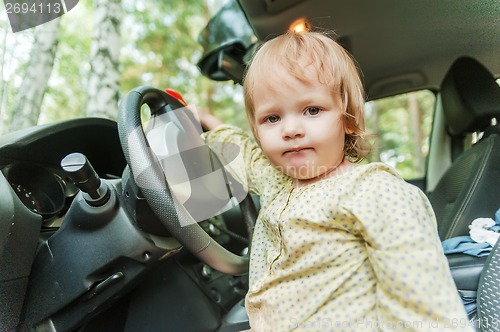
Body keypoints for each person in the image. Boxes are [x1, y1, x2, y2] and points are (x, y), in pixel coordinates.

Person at [195, 31, 471, 331]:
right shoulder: (279, 181)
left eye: (312, 110)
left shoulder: (374, 190)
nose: (290, 129)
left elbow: (425, 308)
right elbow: (244, 156)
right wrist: (206, 119)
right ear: (258, 130)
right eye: (271, 118)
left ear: (349, 119)